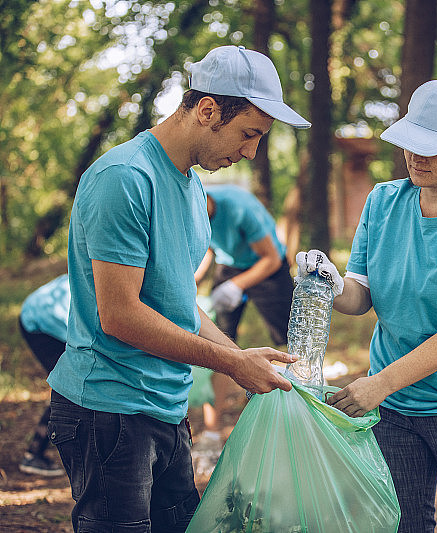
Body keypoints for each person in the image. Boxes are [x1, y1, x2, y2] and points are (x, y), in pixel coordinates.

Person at [46, 45, 308, 532]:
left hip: (166, 406)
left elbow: (177, 302)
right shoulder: (124, 178)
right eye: (248, 133)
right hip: (109, 408)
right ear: (207, 109)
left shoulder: (193, 188)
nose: (251, 151)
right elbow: (120, 315)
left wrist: (239, 354)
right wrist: (232, 364)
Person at [299, 79, 437, 532]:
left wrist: (379, 384)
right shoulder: (383, 201)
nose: (416, 156)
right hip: (394, 410)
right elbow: (359, 297)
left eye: (432, 146)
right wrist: (326, 278)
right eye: (410, 143)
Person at [194, 184, 293, 345]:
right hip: (230, 264)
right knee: (219, 336)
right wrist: (193, 280)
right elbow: (208, 249)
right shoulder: (193, 216)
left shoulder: (239, 208)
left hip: (266, 265)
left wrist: (235, 285)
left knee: (288, 335)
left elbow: (271, 259)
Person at [17, 274, 70, 477]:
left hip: (38, 311)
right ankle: (34, 454)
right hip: (40, 321)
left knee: (69, 383)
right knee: (67, 384)